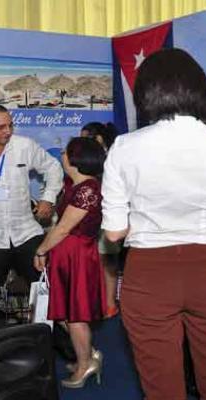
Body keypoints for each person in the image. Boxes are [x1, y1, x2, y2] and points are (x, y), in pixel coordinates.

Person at [101, 48, 206, 400]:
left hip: (148, 273)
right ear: (199, 91)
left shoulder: (124, 148)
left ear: (145, 94)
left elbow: (113, 232)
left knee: (161, 389)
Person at [0, 104, 63, 324]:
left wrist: (48, 197)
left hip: (25, 234)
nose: (8, 131)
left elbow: (53, 167)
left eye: (10, 125)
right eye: (1, 127)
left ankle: (60, 344)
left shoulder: (24, 146)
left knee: (46, 291)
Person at [34, 137, 108, 388]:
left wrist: (41, 249)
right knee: (67, 313)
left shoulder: (87, 190)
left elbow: (64, 228)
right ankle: (86, 354)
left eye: (66, 151)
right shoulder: (76, 185)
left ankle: (86, 363)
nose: (62, 154)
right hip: (68, 255)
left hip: (77, 256)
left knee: (75, 315)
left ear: (76, 159)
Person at [78, 121, 121, 317]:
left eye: (85, 138)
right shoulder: (92, 160)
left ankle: (110, 304)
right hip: (93, 219)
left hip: (110, 219)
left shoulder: (112, 158)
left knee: (107, 259)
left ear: (99, 139)